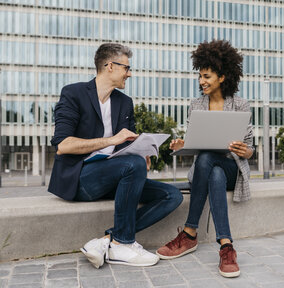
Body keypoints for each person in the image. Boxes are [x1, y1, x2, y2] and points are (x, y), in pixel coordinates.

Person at [49, 43, 183, 268]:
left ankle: (108, 240)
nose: (129, 73)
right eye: (126, 68)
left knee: (172, 195)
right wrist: (112, 140)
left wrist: (142, 152)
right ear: (110, 66)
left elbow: (124, 149)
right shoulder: (74, 93)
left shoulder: (124, 102)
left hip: (115, 176)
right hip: (80, 178)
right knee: (131, 164)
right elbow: (63, 145)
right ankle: (123, 243)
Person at [156, 40, 253, 278]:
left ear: (222, 76)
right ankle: (226, 245)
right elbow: (195, 142)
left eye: (207, 76)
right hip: (208, 171)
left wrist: (244, 151)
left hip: (233, 169)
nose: (202, 81)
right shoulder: (196, 105)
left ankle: (189, 233)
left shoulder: (240, 105)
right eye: (200, 76)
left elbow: (250, 150)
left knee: (214, 162)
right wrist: (183, 145)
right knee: (212, 169)